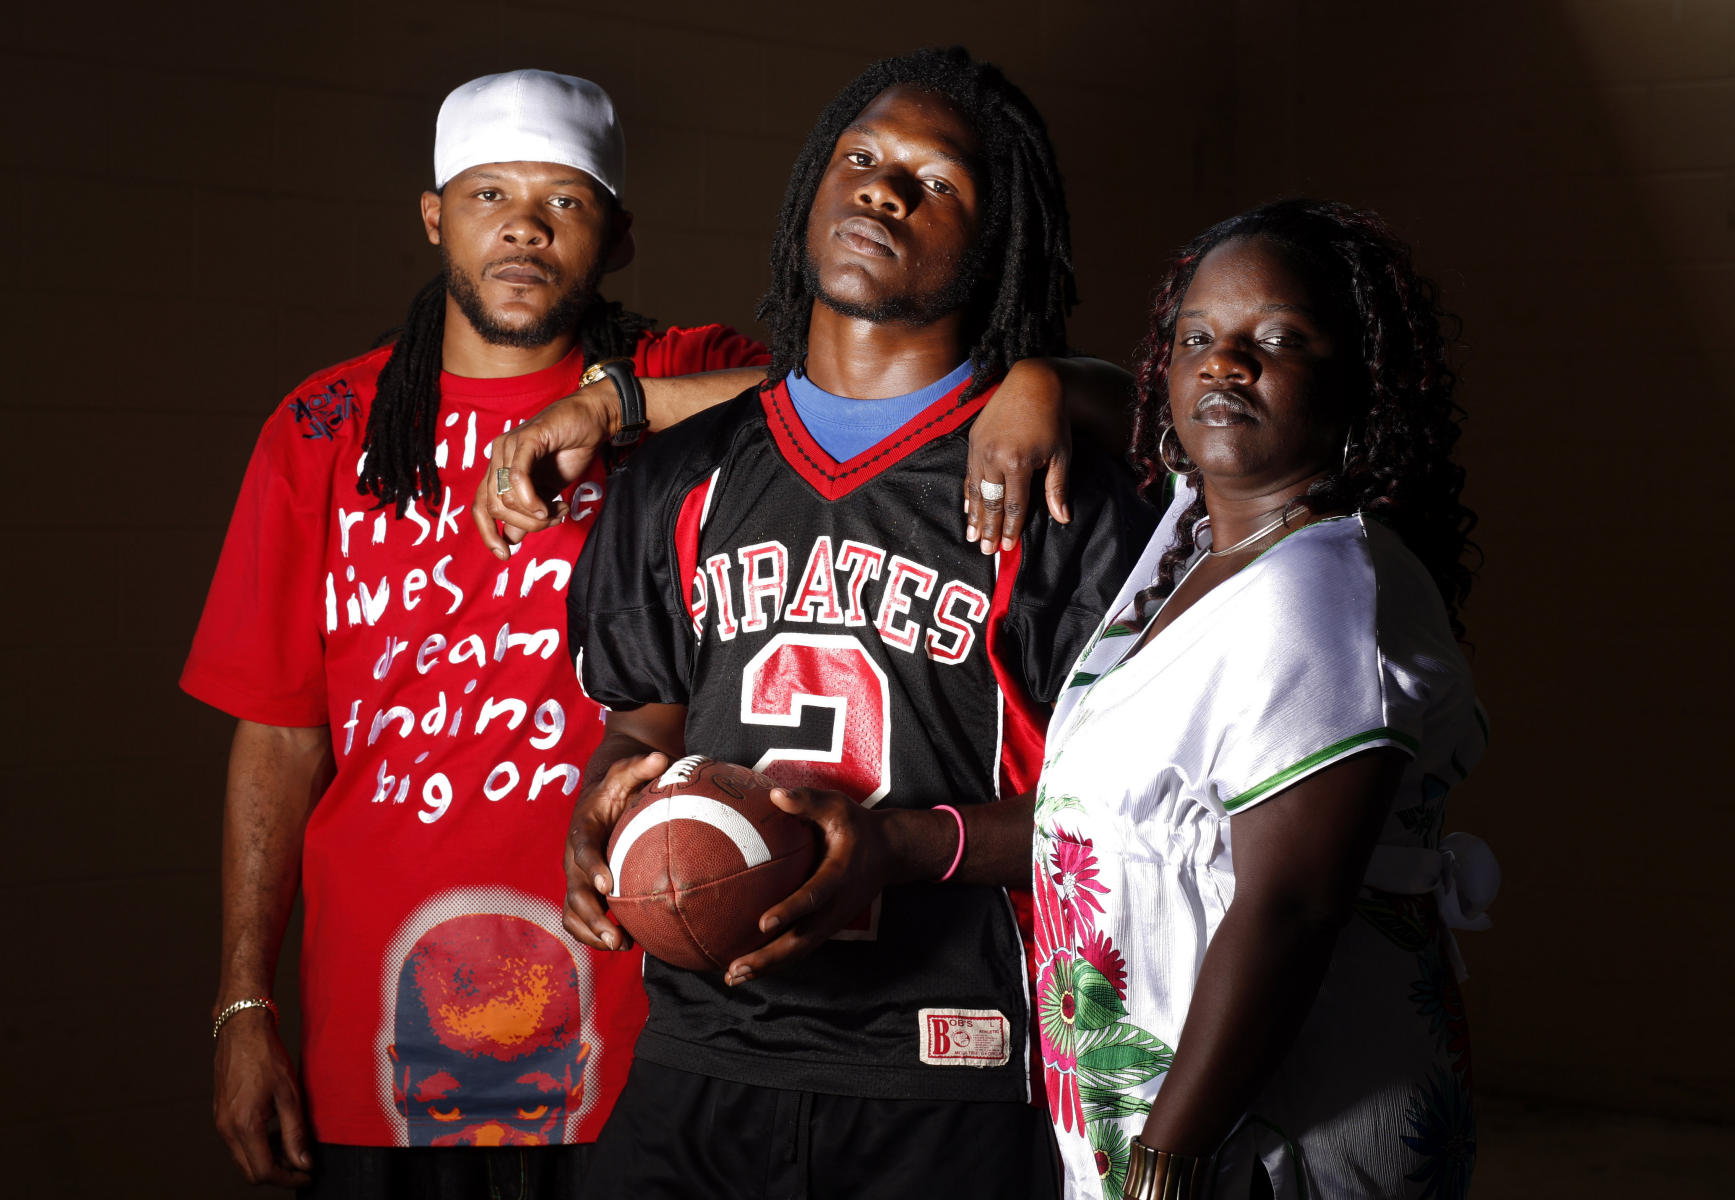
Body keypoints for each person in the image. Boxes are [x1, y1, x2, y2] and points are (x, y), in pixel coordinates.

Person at [184, 66, 1128, 1198]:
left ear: (618, 235)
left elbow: (871, 378)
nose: (524, 228)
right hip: (516, 1034)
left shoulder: (709, 393)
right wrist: (248, 999)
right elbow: (297, 733)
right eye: (488, 195)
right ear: (434, 215)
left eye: (565, 202)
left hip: (789, 1033)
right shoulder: (340, 428)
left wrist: (1039, 377)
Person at [557, 47, 1156, 1200]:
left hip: (944, 1069)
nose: (884, 190)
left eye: (938, 183)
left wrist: (898, 844)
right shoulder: (681, 477)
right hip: (701, 1052)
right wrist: (605, 805)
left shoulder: (1057, 490)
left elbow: (1126, 826)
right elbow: (641, 727)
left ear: (994, 242)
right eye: (862, 159)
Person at [1031, 199, 1496, 1200]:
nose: (1224, 364)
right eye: (1197, 337)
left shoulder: (1320, 589)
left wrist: (1165, 1162)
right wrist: (1033, 383)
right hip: (1174, 1128)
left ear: (1356, 379)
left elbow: (1290, 906)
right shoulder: (1191, 539)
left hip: (1261, 1142)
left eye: (1276, 340)